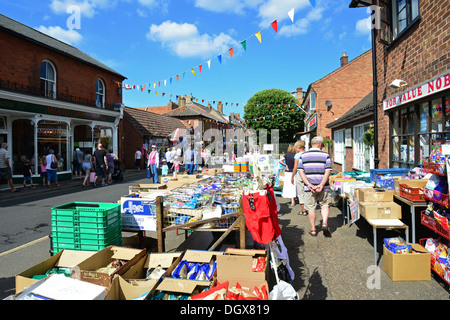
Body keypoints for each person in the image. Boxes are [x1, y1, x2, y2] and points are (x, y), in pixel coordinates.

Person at [297, 136, 332, 237]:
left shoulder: (303, 155)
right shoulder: (325, 155)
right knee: (325, 204)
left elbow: (300, 171)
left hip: (309, 188)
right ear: (320, 144)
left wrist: (309, 184)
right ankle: (324, 223)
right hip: (324, 186)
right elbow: (328, 170)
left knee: (311, 208)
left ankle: (313, 229)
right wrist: (321, 184)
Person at [291, 140, 307, 216]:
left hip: (300, 175)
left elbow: (295, 167)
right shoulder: (307, 154)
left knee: (301, 192)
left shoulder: (297, 155)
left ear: (298, 147)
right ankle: (309, 208)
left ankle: (303, 210)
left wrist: (292, 176)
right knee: (308, 191)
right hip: (307, 174)